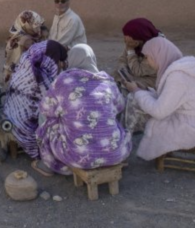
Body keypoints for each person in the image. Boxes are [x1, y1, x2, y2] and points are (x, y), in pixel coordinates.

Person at [33, 44, 131, 176]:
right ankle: (107, 152)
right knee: (113, 121)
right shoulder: (107, 81)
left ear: (72, 59)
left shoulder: (63, 81)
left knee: (47, 122)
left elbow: (45, 109)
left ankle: (48, 163)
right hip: (115, 155)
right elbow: (120, 107)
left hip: (77, 158)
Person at [125, 37, 195, 161]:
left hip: (188, 130)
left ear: (158, 55)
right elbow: (171, 99)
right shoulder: (182, 68)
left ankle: (124, 142)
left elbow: (159, 112)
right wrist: (145, 91)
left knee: (134, 100)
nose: (147, 61)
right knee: (140, 98)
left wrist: (136, 91)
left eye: (148, 57)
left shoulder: (178, 77)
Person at [3, 40, 68, 160]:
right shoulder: (40, 76)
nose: (59, 64)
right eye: (58, 60)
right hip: (24, 125)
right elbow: (53, 103)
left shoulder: (27, 60)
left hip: (10, 112)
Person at [114, 18, 164, 132]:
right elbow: (122, 60)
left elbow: (139, 71)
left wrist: (131, 50)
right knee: (114, 83)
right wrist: (123, 71)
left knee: (132, 91)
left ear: (139, 38)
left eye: (128, 39)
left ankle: (132, 127)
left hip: (153, 80)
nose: (125, 41)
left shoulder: (157, 48)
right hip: (134, 74)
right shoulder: (132, 40)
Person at [4, 10, 49, 87]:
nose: (38, 30)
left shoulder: (20, 35)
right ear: (27, 26)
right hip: (24, 81)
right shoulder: (25, 41)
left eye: (39, 26)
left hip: (17, 77)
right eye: (36, 27)